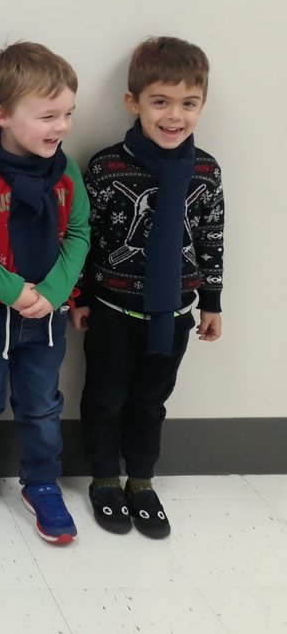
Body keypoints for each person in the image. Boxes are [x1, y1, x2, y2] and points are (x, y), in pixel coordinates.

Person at [72, 37, 224, 538]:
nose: (174, 115)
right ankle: (103, 479)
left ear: (202, 104)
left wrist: (213, 303)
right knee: (105, 397)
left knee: (150, 401)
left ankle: (141, 479)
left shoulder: (205, 171)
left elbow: (210, 237)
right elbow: (85, 238)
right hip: (113, 310)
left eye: (188, 103)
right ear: (133, 103)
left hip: (175, 315)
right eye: (160, 101)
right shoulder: (107, 166)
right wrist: (81, 298)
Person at [0, 43, 89, 546]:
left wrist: (52, 292)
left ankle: (42, 483)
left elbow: (80, 233)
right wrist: (12, 291)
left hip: (47, 316)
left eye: (69, 113)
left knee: (42, 406)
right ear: (2, 115)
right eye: (49, 115)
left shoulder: (66, 173)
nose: (63, 126)